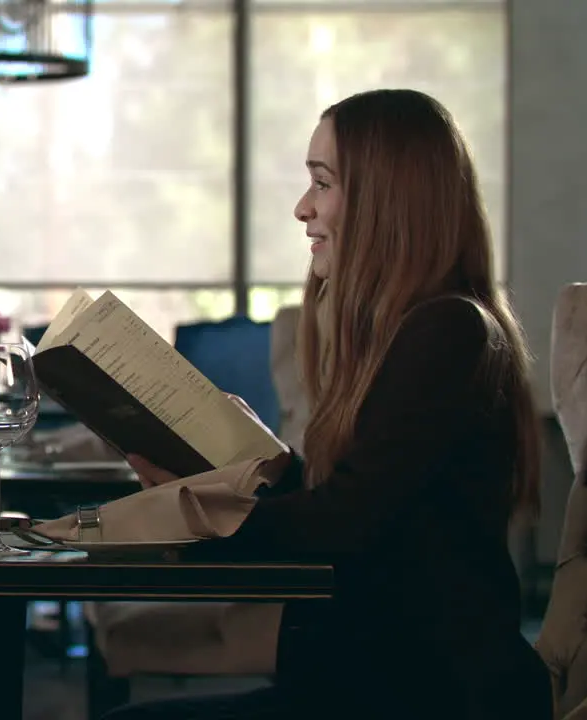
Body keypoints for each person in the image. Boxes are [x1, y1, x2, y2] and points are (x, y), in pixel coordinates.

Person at [104, 89, 553, 720]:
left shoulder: (449, 330)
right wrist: (260, 461)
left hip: (427, 696)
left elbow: (345, 525)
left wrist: (195, 515)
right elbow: (368, 502)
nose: (302, 208)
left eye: (323, 182)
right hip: (371, 683)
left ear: (386, 200)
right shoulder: (415, 329)